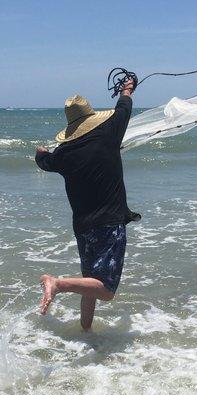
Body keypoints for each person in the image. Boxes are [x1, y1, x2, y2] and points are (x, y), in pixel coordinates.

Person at [35, 79, 140, 330]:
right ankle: (57, 284)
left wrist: (40, 153)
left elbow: (43, 161)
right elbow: (124, 107)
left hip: (83, 226)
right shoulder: (110, 131)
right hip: (109, 222)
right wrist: (127, 88)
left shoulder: (64, 153)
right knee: (106, 289)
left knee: (90, 282)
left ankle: (86, 331)